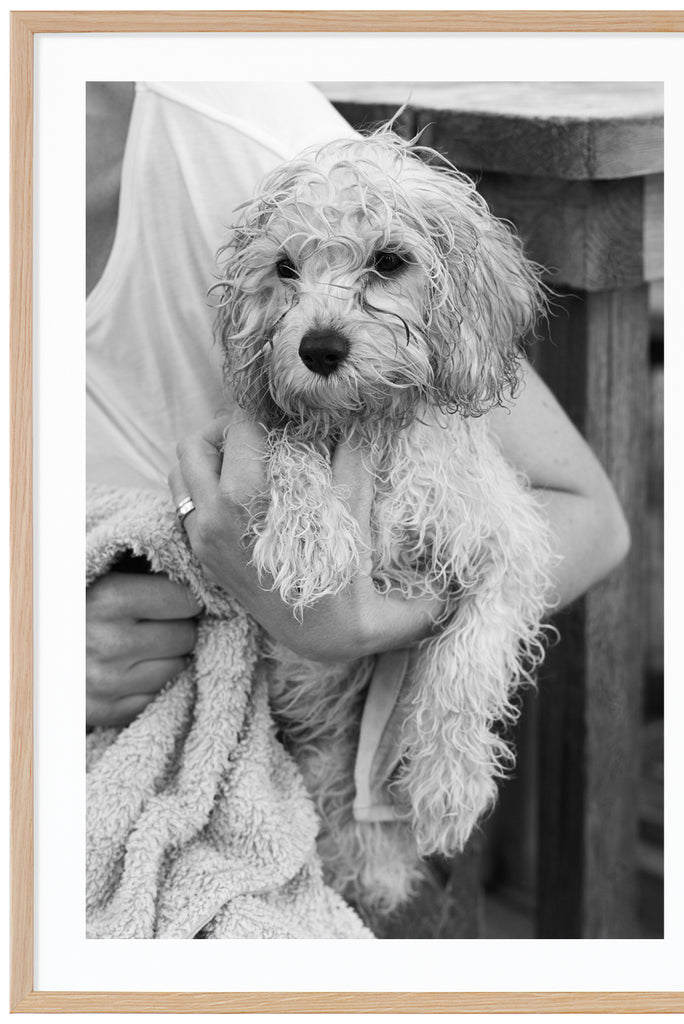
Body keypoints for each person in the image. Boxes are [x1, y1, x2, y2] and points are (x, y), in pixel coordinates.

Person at [86, 83, 630, 934]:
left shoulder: (243, 129)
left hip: (348, 777)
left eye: (384, 266)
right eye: (289, 273)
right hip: (160, 736)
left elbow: (567, 526)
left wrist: (371, 635)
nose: (322, 319)